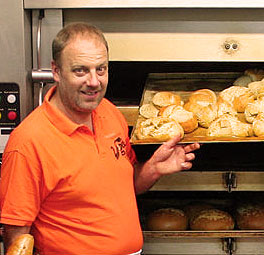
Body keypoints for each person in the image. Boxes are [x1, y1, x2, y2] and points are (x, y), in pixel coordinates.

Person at [0, 22, 200, 254]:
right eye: (80, 70)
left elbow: (125, 186)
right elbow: (16, 237)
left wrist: (154, 168)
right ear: (56, 71)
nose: (94, 81)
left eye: (101, 69)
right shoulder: (29, 143)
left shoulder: (109, 112)